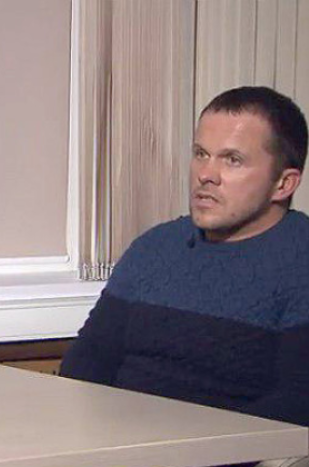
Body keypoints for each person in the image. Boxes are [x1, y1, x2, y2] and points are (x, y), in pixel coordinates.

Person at [60, 86, 309, 428]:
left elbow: (295, 405)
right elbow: (84, 367)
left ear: (283, 184)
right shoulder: (154, 248)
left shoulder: (299, 261)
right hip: (113, 440)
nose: (206, 174)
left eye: (232, 160)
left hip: (225, 448)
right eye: (201, 154)